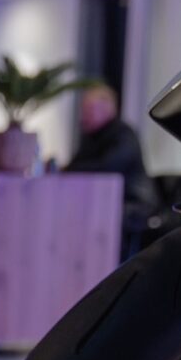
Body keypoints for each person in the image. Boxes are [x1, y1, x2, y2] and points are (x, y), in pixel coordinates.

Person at [66, 81, 156, 255]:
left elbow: (108, 167)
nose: (85, 115)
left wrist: (71, 169)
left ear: (108, 109)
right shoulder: (90, 138)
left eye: (90, 110)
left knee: (99, 217)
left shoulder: (124, 135)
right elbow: (75, 166)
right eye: (84, 110)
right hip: (103, 201)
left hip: (133, 203)